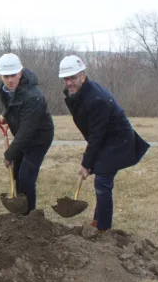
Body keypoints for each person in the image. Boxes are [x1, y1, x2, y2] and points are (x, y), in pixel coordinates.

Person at [59, 54, 150, 231]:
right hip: (106, 139)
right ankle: (98, 221)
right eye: (66, 79)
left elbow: (96, 135)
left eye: (73, 78)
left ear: (83, 76)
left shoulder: (96, 99)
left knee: (103, 182)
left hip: (118, 141)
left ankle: (103, 229)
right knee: (102, 179)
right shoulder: (81, 93)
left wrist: (86, 163)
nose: (69, 83)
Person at [0, 53, 54, 214]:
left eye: (13, 75)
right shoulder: (8, 89)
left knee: (26, 176)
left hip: (39, 138)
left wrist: (9, 154)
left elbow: (27, 130)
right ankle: (20, 212)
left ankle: (30, 217)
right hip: (23, 134)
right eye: (6, 76)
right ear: (0, 75)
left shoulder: (33, 96)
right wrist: (6, 115)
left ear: (20, 73)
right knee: (16, 173)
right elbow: (14, 104)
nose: (10, 80)